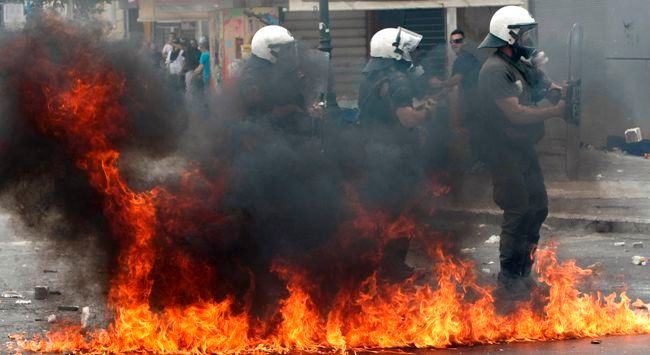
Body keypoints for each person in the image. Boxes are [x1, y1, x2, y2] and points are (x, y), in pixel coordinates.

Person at [477, 5, 565, 300]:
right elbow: (514, 113)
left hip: (522, 149)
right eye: (524, 33)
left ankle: (524, 275)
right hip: (501, 151)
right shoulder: (495, 70)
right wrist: (555, 112)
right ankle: (508, 278)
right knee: (517, 208)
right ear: (509, 36)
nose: (529, 38)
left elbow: (548, 87)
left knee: (538, 207)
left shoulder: (522, 64)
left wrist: (563, 91)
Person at [357, 27, 435, 281]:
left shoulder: (369, 77)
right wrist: (429, 112)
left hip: (372, 153)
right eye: (407, 50)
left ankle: (380, 267)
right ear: (394, 50)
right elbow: (408, 119)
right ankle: (394, 269)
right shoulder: (395, 79)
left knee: (382, 213)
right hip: (393, 158)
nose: (411, 55)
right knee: (401, 213)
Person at [236, 25, 313, 135]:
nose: (288, 53)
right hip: (263, 137)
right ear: (269, 51)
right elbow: (262, 112)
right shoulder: (251, 76)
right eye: (284, 49)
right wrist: (292, 109)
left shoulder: (276, 68)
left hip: (285, 132)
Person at [432, 29, 482, 170]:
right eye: (452, 41)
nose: (454, 44)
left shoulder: (464, 59)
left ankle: (480, 163)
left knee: (476, 131)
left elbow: (456, 79)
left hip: (477, 100)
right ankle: (478, 162)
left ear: (464, 42)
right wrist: (434, 98)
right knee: (473, 130)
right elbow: (451, 86)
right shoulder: (461, 59)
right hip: (472, 99)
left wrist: (439, 83)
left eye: (458, 41)